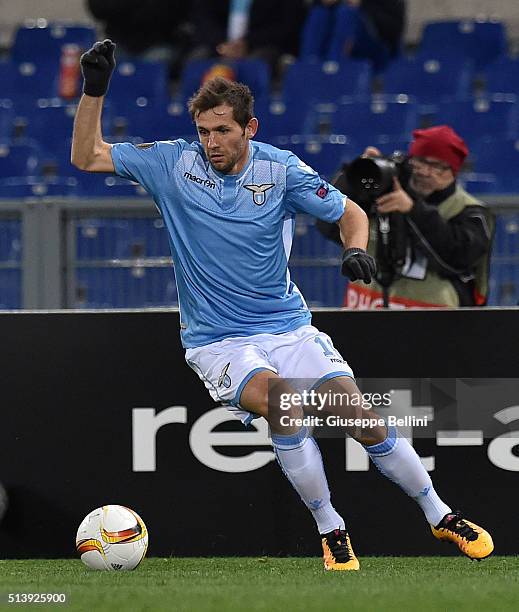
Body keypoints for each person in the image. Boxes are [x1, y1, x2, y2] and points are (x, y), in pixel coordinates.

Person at [71, 40, 493, 570]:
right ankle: (331, 529)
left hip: (288, 327)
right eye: (204, 132)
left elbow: (352, 212)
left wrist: (356, 251)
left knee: (360, 415)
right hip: (218, 339)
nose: (211, 142)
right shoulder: (172, 163)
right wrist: (95, 90)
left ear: (250, 129)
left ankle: (439, 514)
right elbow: (87, 156)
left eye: (223, 130)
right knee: (283, 403)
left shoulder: (281, 169)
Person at [318, 126, 494, 309]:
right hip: (366, 311)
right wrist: (354, 179)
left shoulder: (471, 211)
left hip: (434, 324)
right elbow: (326, 225)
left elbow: (458, 257)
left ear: (454, 171)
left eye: (437, 167)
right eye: (420, 162)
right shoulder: (381, 191)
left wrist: (413, 209)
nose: (425, 172)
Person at [188, 0, 306, 69]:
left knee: (254, 64)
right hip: (220, 45)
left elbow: (287, 25)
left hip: (263, 45)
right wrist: (222, 43)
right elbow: (203, 19)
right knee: (197, 59)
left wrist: (247, 44)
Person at [300, 0, 406, 72]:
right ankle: (308, 68)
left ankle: (334, 70)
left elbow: (394, 29)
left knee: (346, 13)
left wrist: (362, 4)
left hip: (375, 46)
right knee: (319, 13)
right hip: (333, 41)